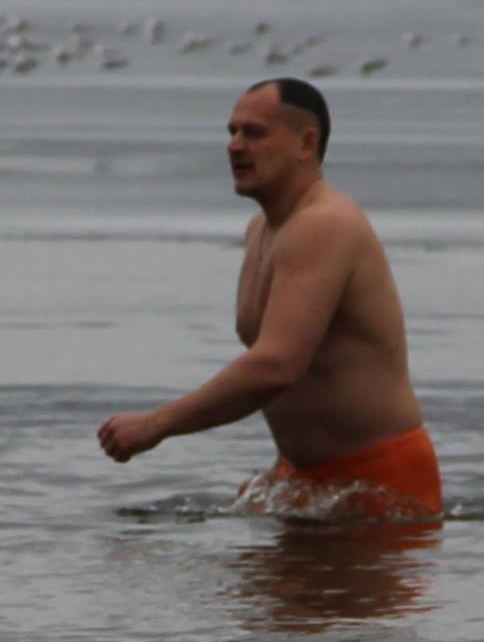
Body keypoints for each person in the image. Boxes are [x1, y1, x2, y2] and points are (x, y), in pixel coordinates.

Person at [98, 76, 440, 520]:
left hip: (380, 480)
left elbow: (276, 366)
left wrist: (156, 425)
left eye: (254, 133)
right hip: (306, 479)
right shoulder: (263, 230)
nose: (235, 146)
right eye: (232, 132)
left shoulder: (325, 225)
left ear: (306, 143)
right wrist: (282, 481)